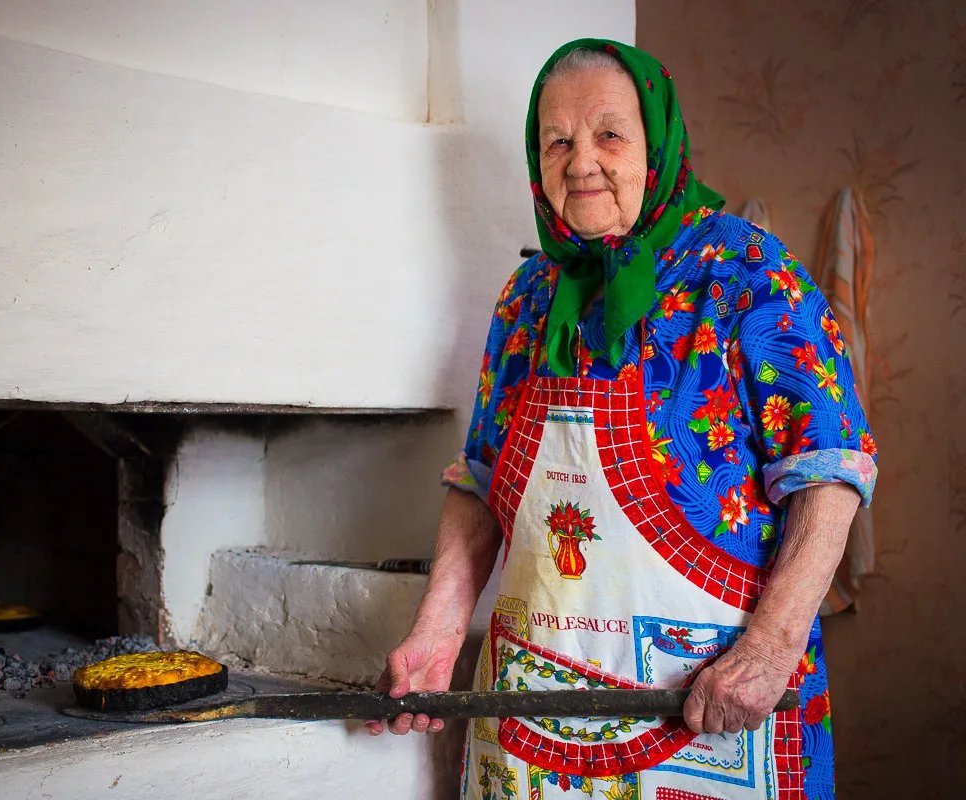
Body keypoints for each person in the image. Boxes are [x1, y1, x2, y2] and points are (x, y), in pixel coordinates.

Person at [365, 39, 876, 800]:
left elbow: (831, 472)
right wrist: (439, 630)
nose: (580, 164)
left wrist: (769, 651)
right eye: (557, 141)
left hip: (711, 704)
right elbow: (479, 478)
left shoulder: (747, 275)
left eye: (609, 134)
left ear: (658, 143)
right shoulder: (527, 299)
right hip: (532, 708)